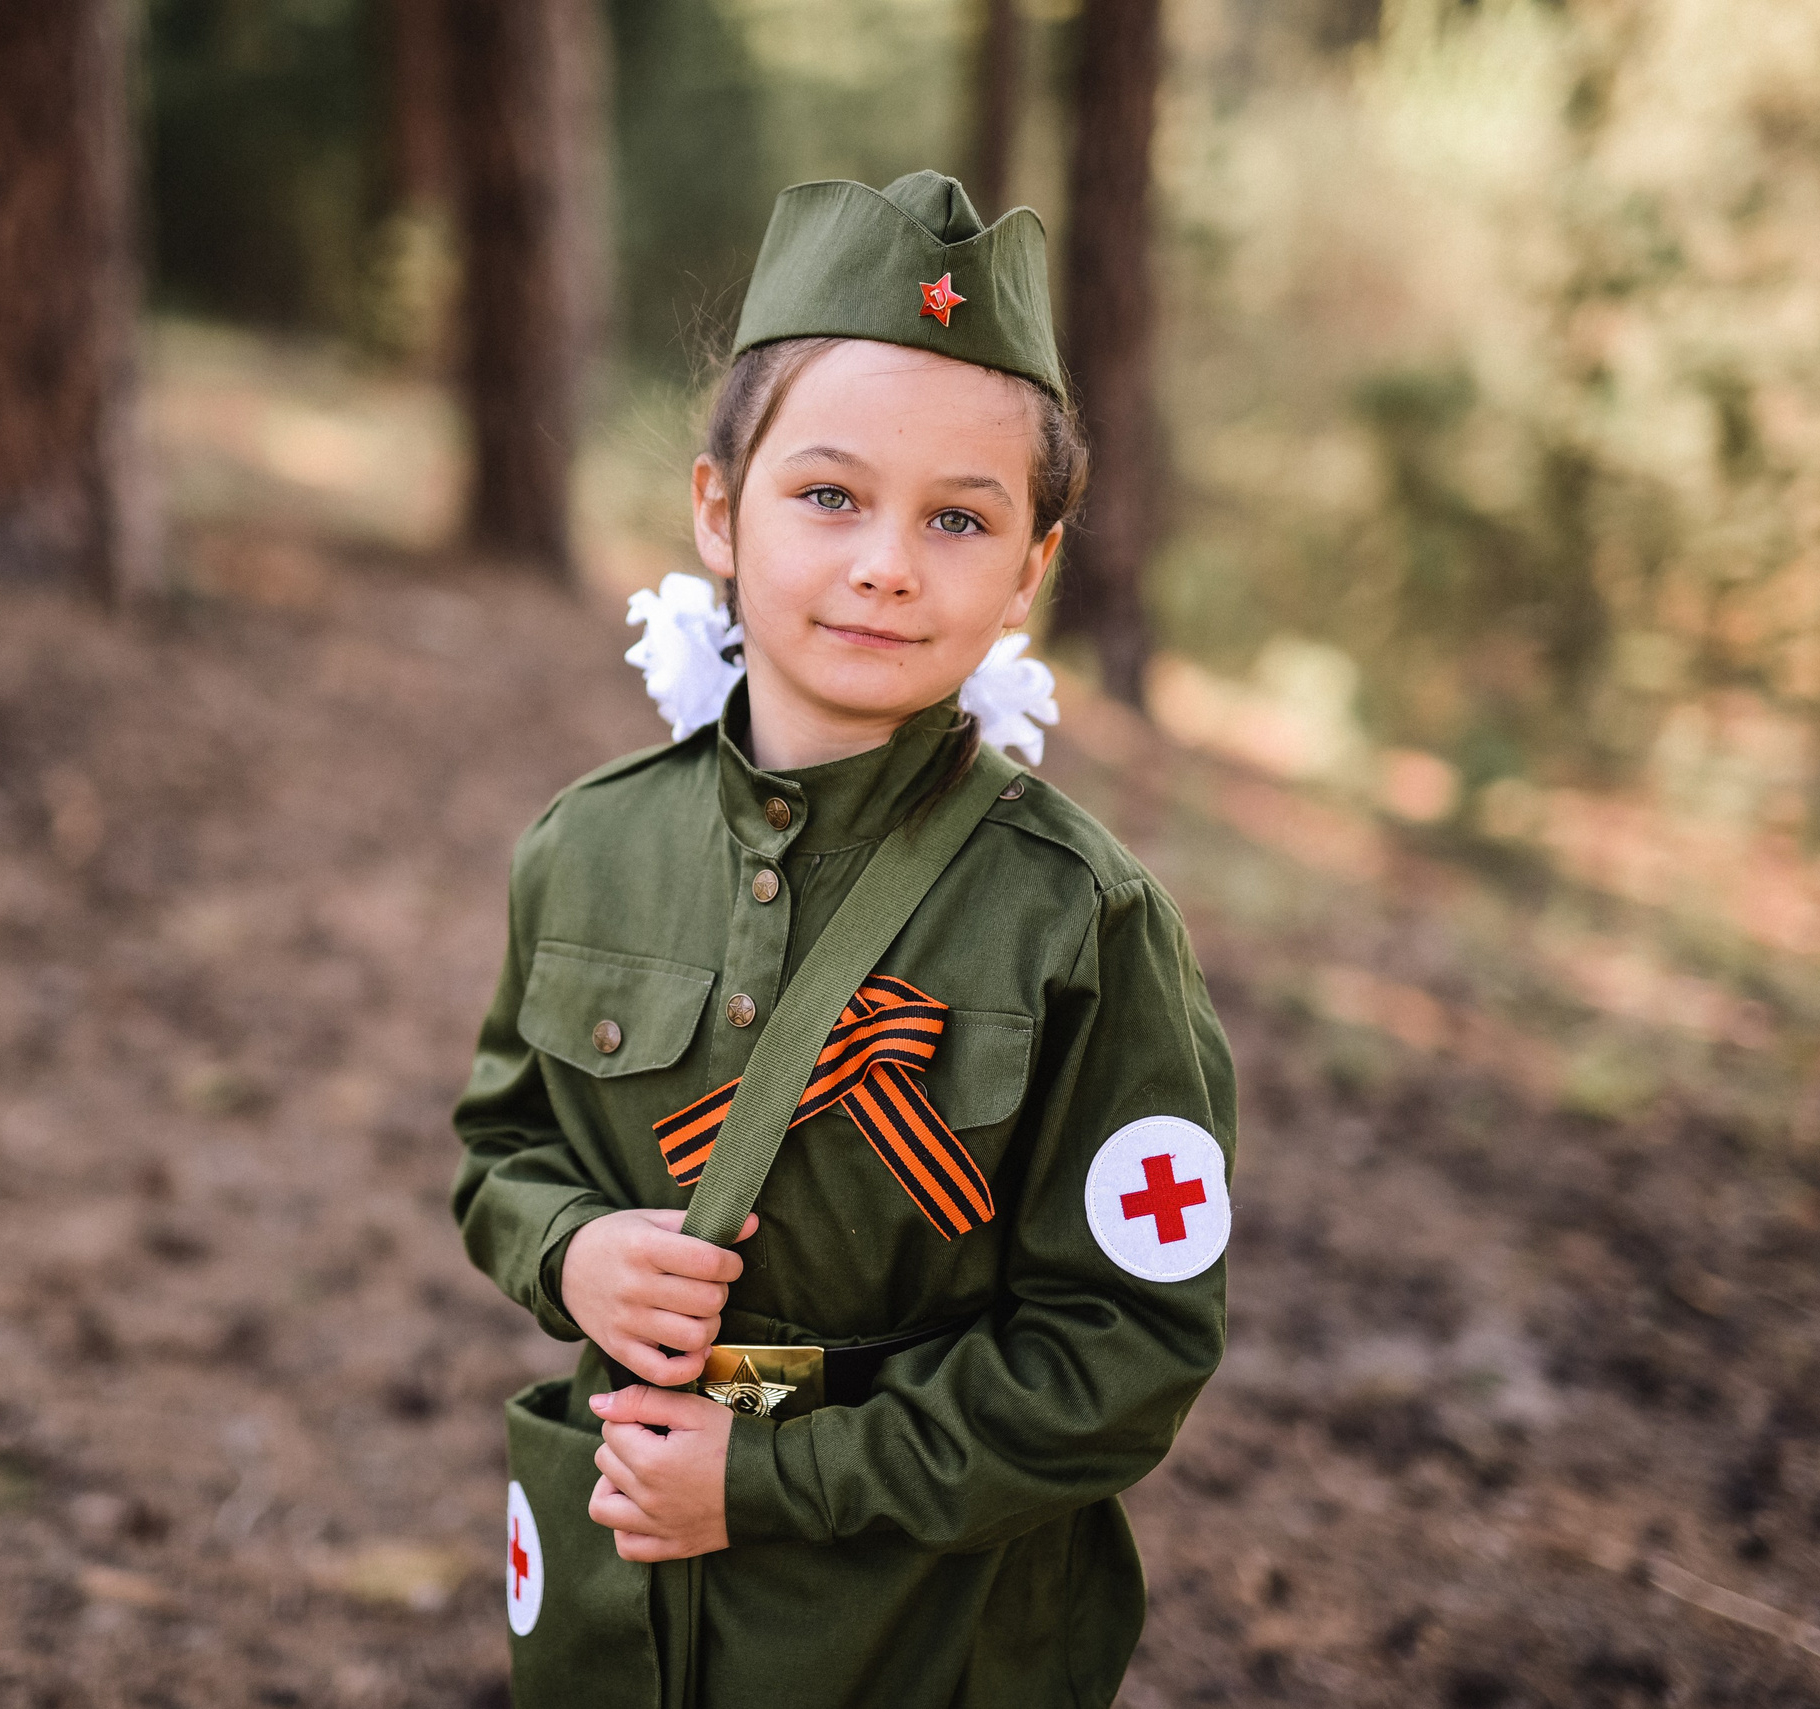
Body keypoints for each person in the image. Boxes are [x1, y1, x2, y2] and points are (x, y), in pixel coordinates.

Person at [451, 169, 1238, 1709]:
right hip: (620, 1602)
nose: (888, 560)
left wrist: (772, 1479)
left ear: (1032, 569)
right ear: (715, 510)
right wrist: (574, 1249)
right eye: (829, 494)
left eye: (960, 517)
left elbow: (1125, 1349)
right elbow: (500, 1146)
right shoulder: (587, 848)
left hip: (924, 1629)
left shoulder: (1083, 921)